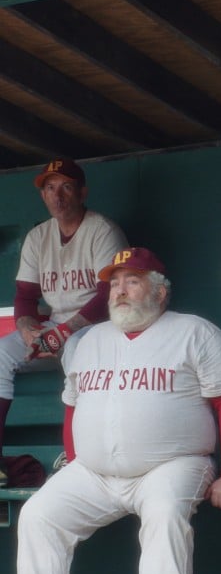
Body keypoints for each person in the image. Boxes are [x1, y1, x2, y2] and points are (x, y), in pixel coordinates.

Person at [0, 247, 221, 574]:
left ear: (160, 291)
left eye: (132, 280)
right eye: (113, 283)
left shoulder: (195, 332)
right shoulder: (87, 341)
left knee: (165, 516)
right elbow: (72, 409)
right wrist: (76, 463)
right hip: (95, 473)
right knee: (40, 515)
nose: (119, 291)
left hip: (174, 465)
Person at [0, 158, 127, 464]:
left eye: (66, 187)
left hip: (101, 328)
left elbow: (107, 294)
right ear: (43, 195)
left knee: (74, 348)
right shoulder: (38, 237)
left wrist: (63, 331)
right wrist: (28, 329)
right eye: (50, 188)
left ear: (82, 193)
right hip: (58, 327)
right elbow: (25, 296)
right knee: (2, 352)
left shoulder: (102, 230)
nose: (57, 196)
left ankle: (80, 452)